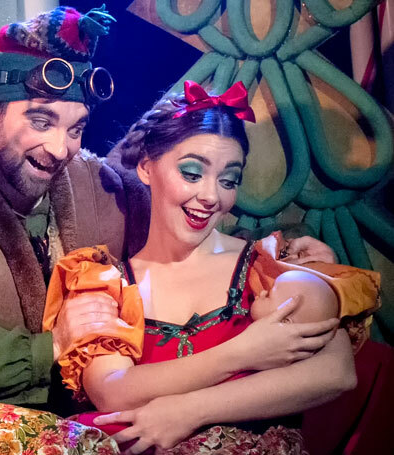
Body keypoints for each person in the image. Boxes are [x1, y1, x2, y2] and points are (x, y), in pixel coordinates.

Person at [0, 5, 337, 418]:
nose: (59, 148)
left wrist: (283, 247)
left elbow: (186, 219)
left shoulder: (101, 183)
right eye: (41, 121)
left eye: (76, 129)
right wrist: (53, 344)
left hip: (82, 417)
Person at [45, 81, 378, 453]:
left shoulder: (267, 269)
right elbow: (112, 391)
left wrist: (190, 410)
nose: (211, 196)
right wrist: (242, 352)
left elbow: (336, 373)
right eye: (191, 172)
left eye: (228, 179)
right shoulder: (103, 281)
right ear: (145, 167)